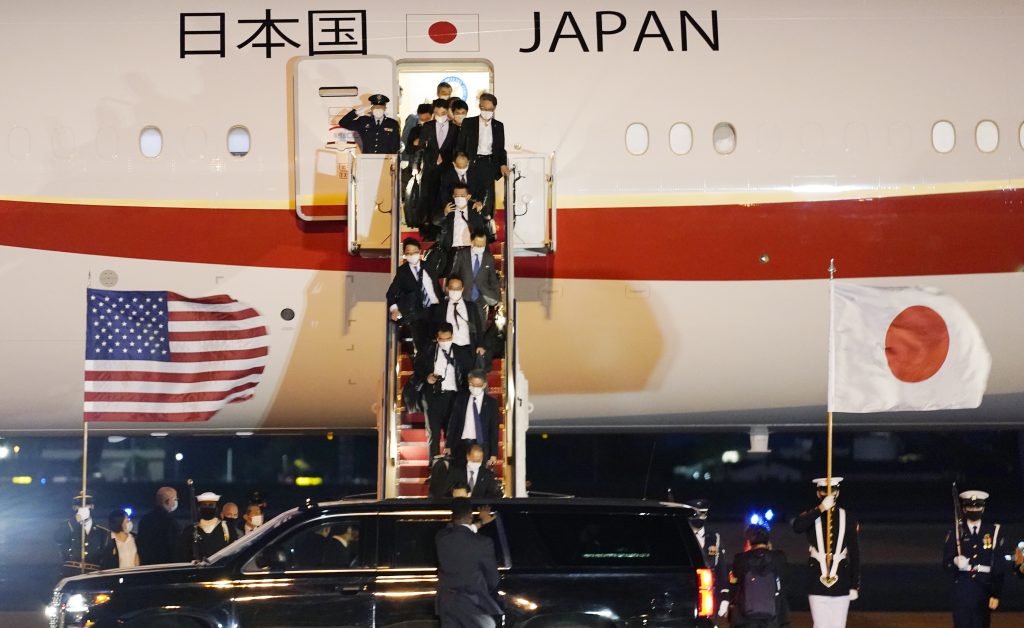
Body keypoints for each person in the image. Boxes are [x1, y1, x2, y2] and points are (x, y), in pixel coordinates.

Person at [792, 477, 860, 628]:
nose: (828, 494)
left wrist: (855, 584)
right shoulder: (812, 515)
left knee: (838, 625)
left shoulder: (847, 517)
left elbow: (855, 553)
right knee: (820, 625)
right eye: (824, 491)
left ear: (838, 492)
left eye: (832, 490)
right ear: (818, 493)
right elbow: (797, 527)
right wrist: (821, 508)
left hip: (841, 579)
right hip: (817, 578)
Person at [943, 490, 1008, 628]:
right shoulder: (955, 531)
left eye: (977, 506)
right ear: (964, 509)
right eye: (970, 507)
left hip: (984, 587)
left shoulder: (993, 531)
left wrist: (996, 594)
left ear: (983, 508)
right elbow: (946, 562)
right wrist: (955, 561)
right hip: (962, 587)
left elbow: (998, 565)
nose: (974, 509)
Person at [435, 498, 503, 627]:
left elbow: (455, 530)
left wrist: (479, 523)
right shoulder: (483, 543)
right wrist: (481, 521)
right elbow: (493, 579)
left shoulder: (441, 538)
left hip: (447, 604)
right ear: (470, 516)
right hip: (474, 603)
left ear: (452, 517)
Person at [413, 323, 473, 459]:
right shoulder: (428, 350)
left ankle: (449, 467)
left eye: (448, 339)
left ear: (453, 337)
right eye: (442, 339)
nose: (445, 342)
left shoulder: (461, 352)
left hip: (454, 396)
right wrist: (427, 377)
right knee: (433, 432)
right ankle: (433, 467)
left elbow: (468, 373)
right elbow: (418, 368)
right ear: (437, 338)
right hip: (433, 395)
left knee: (451, 432)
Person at [723, 524, 789, 628]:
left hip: (745, 618)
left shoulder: (740, 559)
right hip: (773, 616)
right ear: (767, 541)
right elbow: (784, 580)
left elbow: (736, 580)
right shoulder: (779, 557)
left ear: (749, 541)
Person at [455, 93, 508, 220]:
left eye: (489, 109)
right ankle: (469, 223)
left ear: (494, 109)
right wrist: (459, 161)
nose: (486, 112)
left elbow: (500, 149)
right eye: (484, 108)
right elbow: (460, 145)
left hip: (489, 163)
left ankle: (486, 224)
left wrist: (503, 164)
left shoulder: (498, 126)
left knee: (487, 195)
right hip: (471, 162)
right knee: (471, 191)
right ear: (479, 106)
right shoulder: (469, 122)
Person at [387, 237, 440, 353]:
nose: (412, 255)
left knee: (439, 344)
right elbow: (390, 293)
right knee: (423, 348)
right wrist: (394, 309)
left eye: (415, 252)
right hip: (417, 314)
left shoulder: (429, 266)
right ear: (405, 254)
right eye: (408, 253)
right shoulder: (402, 272)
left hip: (436, 309)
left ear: (420, 251)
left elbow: (436, 287)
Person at [418, 98, 459, 235]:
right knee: (429, 197)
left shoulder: (454, 128)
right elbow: (422, 146)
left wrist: (446, 158)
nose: (440, 115)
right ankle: (428, 229)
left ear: (448, 112)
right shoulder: (427, 126)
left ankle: (445, 228)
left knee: (444, 197)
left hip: (447, 168)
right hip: (431, 167)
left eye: (443, 112)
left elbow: (455, 149)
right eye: (437, 112)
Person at [446, 372, 500, 465]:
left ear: (484, 385)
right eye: (472, 384)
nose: (475, 387)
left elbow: (494, 429)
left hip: (481, 445)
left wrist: (493, 453)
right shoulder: (461, 399)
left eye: (478, 385)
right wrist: (448, 445)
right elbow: (453, 422)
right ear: (468, 382)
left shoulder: (492, 403)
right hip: (461, 444)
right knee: (459, 475)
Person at [687, 498, 729, 613]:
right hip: (690, 594)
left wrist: (725, 595)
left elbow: (721, 568)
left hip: (710, 595)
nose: (701, 517)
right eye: (698, 514)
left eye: (704, 513)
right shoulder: (684, 536)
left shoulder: (714, 538)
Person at [54, 492, 109, 578]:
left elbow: (105, 556)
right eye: (80, 506)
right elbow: (58, 538)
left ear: (92, 506)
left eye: (87, 505)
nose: (83, 508)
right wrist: (76, 519)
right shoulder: (67, 526)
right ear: (74, 507)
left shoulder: (102, 531)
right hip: (71, 573)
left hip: (93, 574)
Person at [437, 183, 486, 277]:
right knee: (451, 279)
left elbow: (481, 231)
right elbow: (435, 221)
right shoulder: (449, 209)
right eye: (456, 196)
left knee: (470, 279)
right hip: (452, 251)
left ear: (468, 197)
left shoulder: (474, 210)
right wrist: (445, 213)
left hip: (470, 250)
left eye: (462, 196)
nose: (459, 198)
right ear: (453, 196)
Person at [452, 230, 500, 323]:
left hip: (481, 300)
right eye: (478, 244)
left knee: (479, 331)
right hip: (463, 299)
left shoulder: (488, 258)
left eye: (483, 244)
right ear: (472, 242)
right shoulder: (462, 254)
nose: (481, 247)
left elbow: (493, 280)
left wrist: (497, 299)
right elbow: (454, 274)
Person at [178, 492, 239, 562]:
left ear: (216, 508)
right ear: (199, 508)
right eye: (204, 505)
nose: (207, 508)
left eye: (211, 505)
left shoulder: (228, 529)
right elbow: (182, 555)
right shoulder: (190, 530)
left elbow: (235, 553)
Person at [429, 276, 484, 353]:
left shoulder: (471, 306)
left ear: (462, 289)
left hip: (468, 348)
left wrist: (480, 345)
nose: (455, 291)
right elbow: (435, 327)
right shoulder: (440, 307)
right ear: (447, 288)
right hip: (449, 349)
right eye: (452, 288)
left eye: (458, 288)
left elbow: (478, 326)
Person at [137, 486, 181, 565]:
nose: (176, 502)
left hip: (147, 567)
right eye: (175, 499)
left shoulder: (145, 520)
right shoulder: (170, 522)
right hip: (166, 568)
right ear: (168, 501)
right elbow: (176, 548)